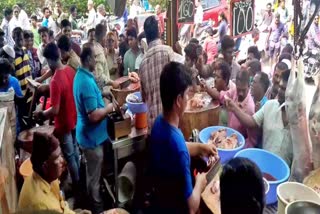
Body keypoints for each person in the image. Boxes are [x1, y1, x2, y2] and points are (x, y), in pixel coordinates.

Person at [149, 62, 217, 213]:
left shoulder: (159, 123)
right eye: (187, 94)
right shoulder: (178, 146)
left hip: (161, 200)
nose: (188, 99)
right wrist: (200, 182)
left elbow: (176, 148)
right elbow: (191, 207)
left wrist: (201, 147)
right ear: (179, 101)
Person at [33, 42, 79, 192]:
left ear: (51, 60)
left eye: (47, 61)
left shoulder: (55, 81)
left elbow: (55, 110)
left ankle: (77, 184)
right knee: (76, 152)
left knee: (70, 156)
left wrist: (41, 114)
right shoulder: (70, 71)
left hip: (64, 123)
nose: (47, 64)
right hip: (74, 119)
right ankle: (79, 177)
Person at [73, 45, 114, 214]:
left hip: (90, 137)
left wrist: (103, 97)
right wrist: (110, 108)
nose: (96, 62)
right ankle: (97, 209)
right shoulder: (85, 82)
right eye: (95, 59)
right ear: (88, 59)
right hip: (91, 140)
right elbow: (94, 115)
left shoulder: (82, 76)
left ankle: (96, 201)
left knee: (93, 174)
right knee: (94, 179)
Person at [225, 69, 293, 165]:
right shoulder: (270, 105)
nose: (279, 91)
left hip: (285, 173)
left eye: (284, 89)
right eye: (280, 87)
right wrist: (234, 108)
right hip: (264, 163)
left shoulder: (300, 121)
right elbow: (251, 122)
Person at [139, 16, 177, 128]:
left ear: (146, 36)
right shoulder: (168, 52)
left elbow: (143, 97)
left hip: (153, 126)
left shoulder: (142, 63)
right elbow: (178, 84)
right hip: (169, 123)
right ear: (159, 32)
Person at [93, 24, 118, 90]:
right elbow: (99, 76)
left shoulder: (94, 47)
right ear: (103, 38)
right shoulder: (98, 52)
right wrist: (112, 83)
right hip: (102, 91)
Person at [12, 27, 32, 96]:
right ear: (14, 38)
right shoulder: (13, 55)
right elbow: (14, 75)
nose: (20, 40)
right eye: (18, 38)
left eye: (21, 38)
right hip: (20, 91)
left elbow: (29, 68)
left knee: (31, 105)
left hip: (30, 87)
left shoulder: (25, 50)